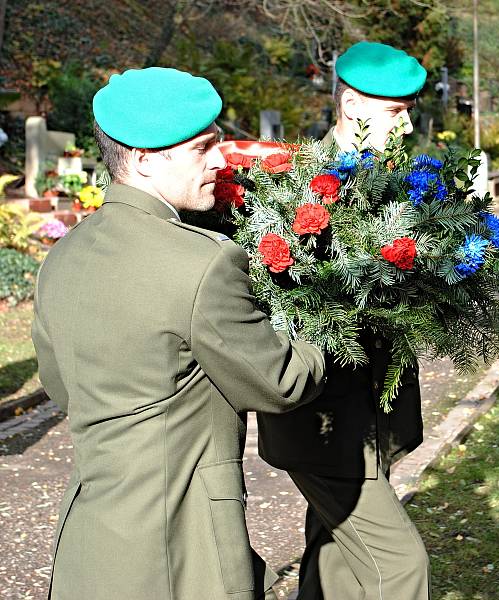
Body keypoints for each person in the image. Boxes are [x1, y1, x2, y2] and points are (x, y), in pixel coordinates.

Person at [31, 67, 326, 600]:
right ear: (144, 159)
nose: (220, 161)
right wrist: (332, 321)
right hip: (182, 547)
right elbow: (281, 382)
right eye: (202, 148)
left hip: (91, 541)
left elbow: (63, 387)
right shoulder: (203, 264)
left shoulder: (63, 257)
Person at [257, 41, 430, 600]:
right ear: (353, 106)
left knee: (334, 559)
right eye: (396, 111)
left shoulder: (388, 180)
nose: (407, 126)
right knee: (400, 567)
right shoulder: (302, 187)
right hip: (325, 423)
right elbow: (283, 314)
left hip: (369, 413)